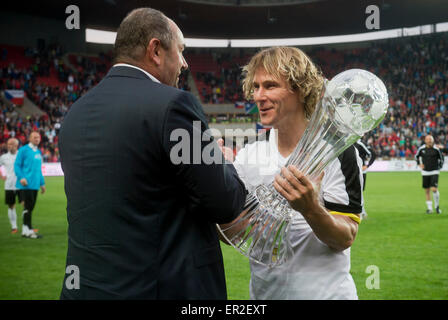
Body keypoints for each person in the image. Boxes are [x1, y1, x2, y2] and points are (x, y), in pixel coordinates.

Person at [58, 8, 246, 300]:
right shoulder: (174, 106)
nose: (184, 63)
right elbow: (225, 202)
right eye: (181, 51)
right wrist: (223, 161)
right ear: (156, 50)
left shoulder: (76, 112)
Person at [220, 47, 364, 299]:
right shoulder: (248, 156)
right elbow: (233, 235)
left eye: (270, 86)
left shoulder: (338, 152)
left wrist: (310, 208)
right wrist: (215, 182)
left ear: (300, 89)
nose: (258, 96)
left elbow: (345, 237)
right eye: (255, 87)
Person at [14, 131, 46, 239]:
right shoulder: (23, 150)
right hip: (26, 184)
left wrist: (42, 183)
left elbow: (39, 170)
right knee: (28, 207)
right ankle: (28, 230)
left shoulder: (38, 152)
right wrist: (21, 177)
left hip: (35, 184)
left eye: (38, 137)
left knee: (30, 207)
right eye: (34, 137)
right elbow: (17, 165)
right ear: (30, 138)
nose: (37, 139)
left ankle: (25, 230)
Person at [415, 134, 444, 214]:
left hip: (434, 171)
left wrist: (439, 166)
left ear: (433, 140)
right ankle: (429, 208)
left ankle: (437, 207)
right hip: (425, 172)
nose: (429, 141)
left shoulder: (436, 149)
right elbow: (416, 156)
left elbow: (441, 158)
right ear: (425, 141)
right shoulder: (421, 149)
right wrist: (419, 164)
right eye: (428, 139)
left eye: (430, 139)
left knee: (434, 189)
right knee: (427, 190)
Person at [0, 138, 19, 233]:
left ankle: (27, 227)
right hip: (9, 185)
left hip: (21, 185)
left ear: (16, 145)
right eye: (8, 144)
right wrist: (1, 175)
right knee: (11, 206)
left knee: (26, 204)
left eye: (11, 144)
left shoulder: (21, 155)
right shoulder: (3, 157)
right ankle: (14, 227)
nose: (9, 146)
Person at [354, 140, 376, 219]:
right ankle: (360, 212)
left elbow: (372, 154)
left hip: (361, 172)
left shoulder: (359, 144)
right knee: (355, 191)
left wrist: (367, 165)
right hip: (352, 171)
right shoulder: (348, 143)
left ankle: (361, 212)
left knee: (359, 191)